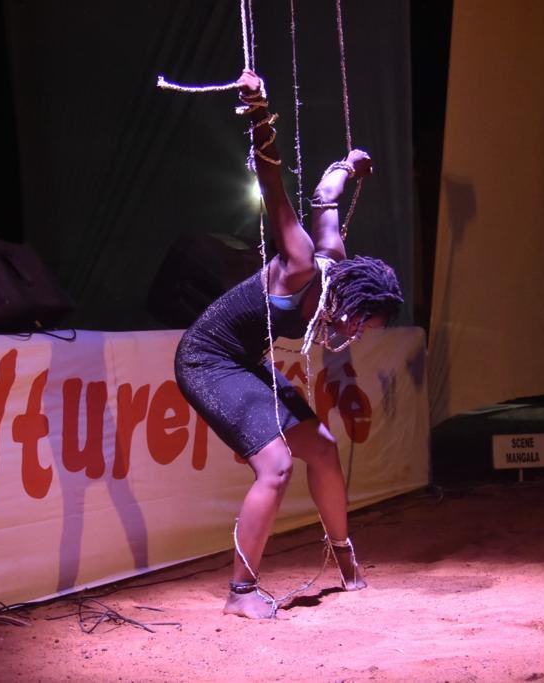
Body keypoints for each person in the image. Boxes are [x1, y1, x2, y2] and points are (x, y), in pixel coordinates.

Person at [174, 70, 403, 619]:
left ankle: (344, 556)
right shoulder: (303, 263)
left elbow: (327, 193)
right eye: (358, 324)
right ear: (350, 300)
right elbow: (275, 186)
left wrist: (352, 165)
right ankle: (241, 593)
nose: (351, 335)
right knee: (275, 465)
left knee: (321, 447)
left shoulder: (336, 257)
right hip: (206, 360)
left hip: (242, 361)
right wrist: (258, 112)